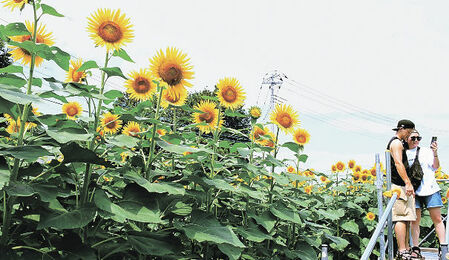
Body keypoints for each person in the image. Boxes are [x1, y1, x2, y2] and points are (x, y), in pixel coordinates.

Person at [408, 130, 444, 252]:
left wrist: (434, 153)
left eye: (419, 138)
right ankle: (415, 248)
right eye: (413, 138)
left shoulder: (426, 151)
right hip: (413, 190)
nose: (416, 140)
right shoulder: (403, 153)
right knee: (415, 221)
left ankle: (443, 247)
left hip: (430, 188)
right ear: (407, 138)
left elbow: (435, 167)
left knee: (437, 219)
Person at [387, 119, 417, 259]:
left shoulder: (401, 143)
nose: (409, 135)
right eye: (409, 132)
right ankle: (402, 250)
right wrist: (407, 182)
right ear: (403, 129)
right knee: (400, 217)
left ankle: (406, 248)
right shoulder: (396, 143)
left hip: (403, 185)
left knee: (407, 218)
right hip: (398, 185)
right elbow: (398, 163)